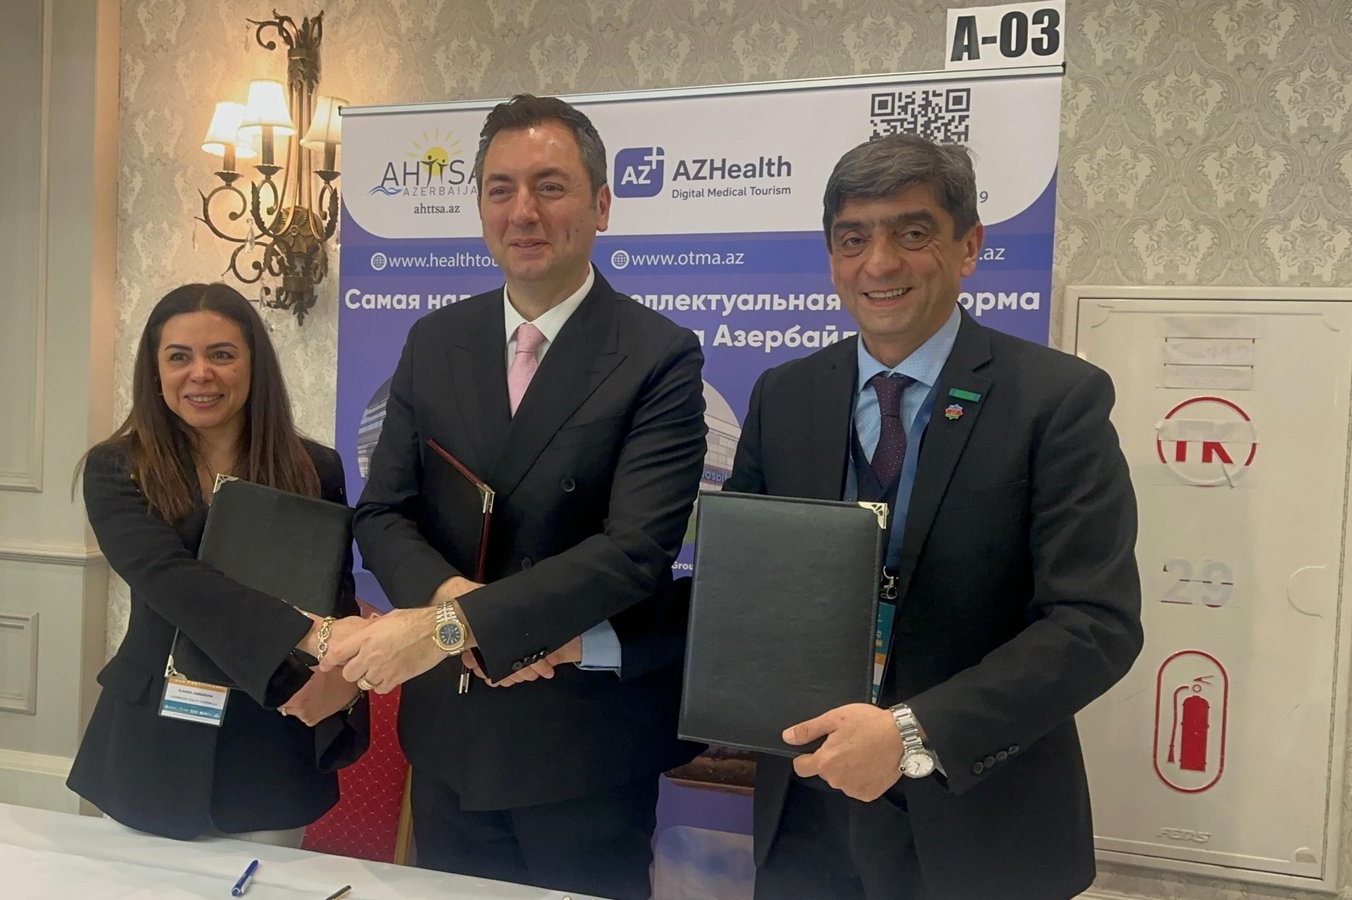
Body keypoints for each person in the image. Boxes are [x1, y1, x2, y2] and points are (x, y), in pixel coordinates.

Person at [724, 133, 1143, 899]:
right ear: (832, 255)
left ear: (969, 246)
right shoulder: (784, 395)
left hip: (981, 826)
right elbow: (742, 586)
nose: (879, 263)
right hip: (808, 818)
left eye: (912, 233)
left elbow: (1094, 624)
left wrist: (908, 733)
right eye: (853, 238)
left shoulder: (1056, 401)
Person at [324, 95, 707, 899]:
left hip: (581, 748)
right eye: (500, 189)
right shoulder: (435, 341)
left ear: (602, 205)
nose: (523, 211)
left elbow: (634, 552)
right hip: (451, 734)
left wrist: (455, 626)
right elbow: (384, 513)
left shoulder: (657, 355)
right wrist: (452, 605)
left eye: (550, 186)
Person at [68, 282, 368, 844]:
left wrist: (344, 683)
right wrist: (308, 635)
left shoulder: (315, 468)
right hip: (152, 747)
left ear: (254, 366)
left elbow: (336, 594)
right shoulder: (116, 468)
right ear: (155, 371)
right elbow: (171, 581)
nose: (200, 373)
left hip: (272, 744)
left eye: (222, 354)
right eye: (179, 357)